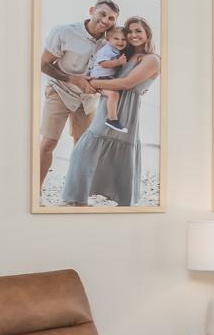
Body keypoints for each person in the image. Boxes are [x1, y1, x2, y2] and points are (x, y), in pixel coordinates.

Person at [61, 16, 161, 206]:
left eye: (138, 31)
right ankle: (78, 198)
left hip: (125, 113)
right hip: (107, 107)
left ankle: (122, 201)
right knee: (83, 151)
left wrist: (92, 83)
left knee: (112, 156)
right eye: (129, 31)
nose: (133, 35)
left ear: (147, 33)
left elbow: (126, 83)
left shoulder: (152, 59)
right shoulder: (123, 55)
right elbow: (105, 69)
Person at [38, 0, 120, 190]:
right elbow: (43, 64)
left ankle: (74, 193)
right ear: (91, 11)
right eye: (102, 14)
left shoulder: (112, 41)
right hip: (60, 91)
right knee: (48, 143)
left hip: (88, 100)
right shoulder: (65, 32)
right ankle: (35, 191)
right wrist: (73, 79)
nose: (105, 21)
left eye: (111, 18)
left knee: (82, 148)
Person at [88, 23, 131, 131]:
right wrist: (118, 62)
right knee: (113, 94)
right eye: (116, 38)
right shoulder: (107, 49)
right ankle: (112, 119)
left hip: (106, 78)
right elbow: (103, 64)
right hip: (99, 78)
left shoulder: (116, 50)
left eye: (124, 39)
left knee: (118, 93)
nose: (120, 42)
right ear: (108, 39)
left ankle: (112, 117)